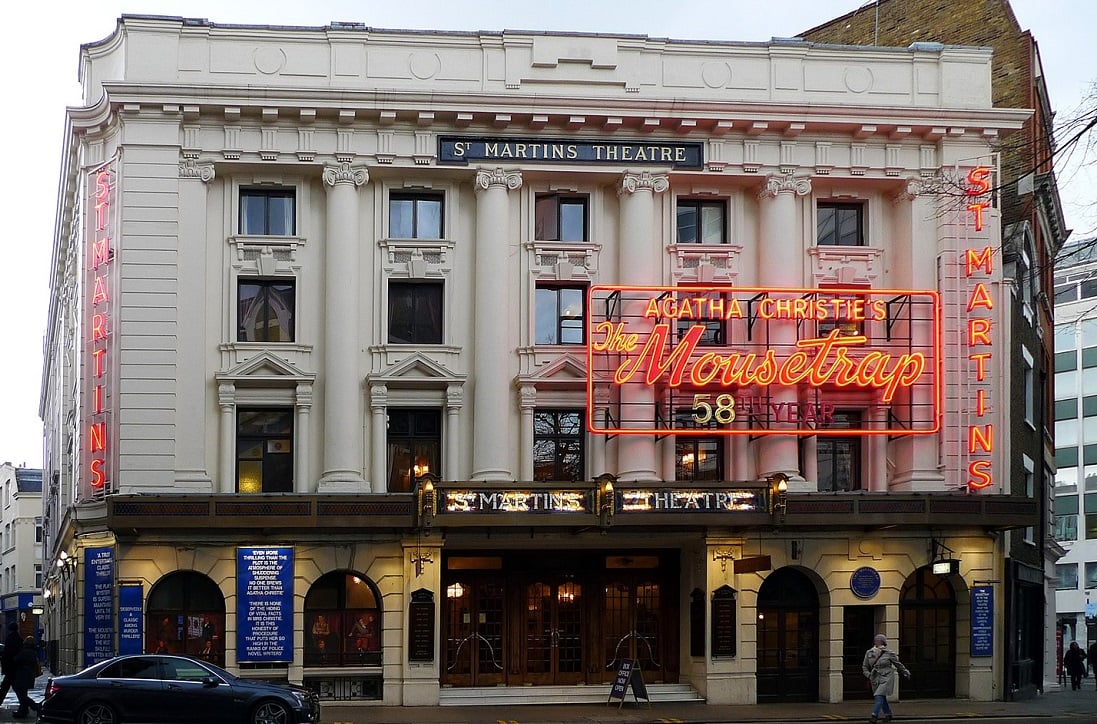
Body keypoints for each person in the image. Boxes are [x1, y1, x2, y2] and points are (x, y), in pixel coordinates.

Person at [862, 633, 911, 723]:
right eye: (876, 640)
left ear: (883, 642)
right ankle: (888, 714)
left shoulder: (889, 653)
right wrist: (868, 675)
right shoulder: (869, 652)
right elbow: (865, 666)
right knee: (882, 697)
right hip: (875, 678)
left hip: (886, 677)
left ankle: (874, 715)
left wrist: (905, 671)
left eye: (879, 640)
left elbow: (898, 664)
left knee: (878, 695)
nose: (877, 641)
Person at [11, 636, 40, 720]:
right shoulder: (33, 651)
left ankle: (35, 706)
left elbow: (16, 659)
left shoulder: (24, 651)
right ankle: (22, 711)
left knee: (21, 694)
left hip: (23, 675)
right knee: (23, 693)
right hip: (29, 675)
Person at [0, 623, 23, 704]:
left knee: (5, 687)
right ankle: (25, 706)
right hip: (15, 667)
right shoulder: (19, 638)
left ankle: (28, 706)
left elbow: (7, 654)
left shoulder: (10, 638)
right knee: (16, 689)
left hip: (10, 667)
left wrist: (4, 666)